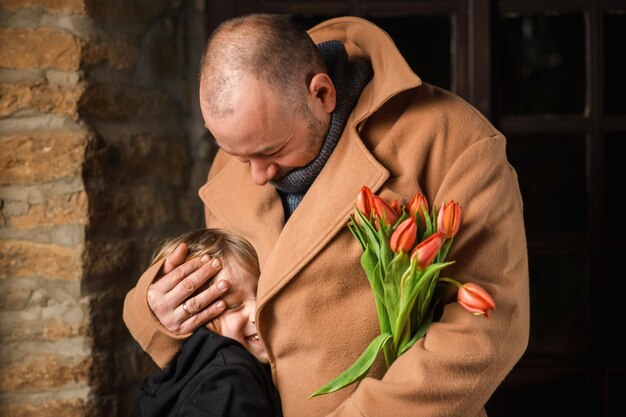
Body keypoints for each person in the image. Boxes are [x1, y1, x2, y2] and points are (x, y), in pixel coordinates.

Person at [123, 13, 530, 417]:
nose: (257, 176)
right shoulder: (248, 145)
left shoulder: (451, 138)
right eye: (236, 155)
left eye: (271, 152)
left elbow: (485, 331)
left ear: (321, 94)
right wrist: (161, 313)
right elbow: (230, 301)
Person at [136, 228, 282, 417]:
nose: (257, 312)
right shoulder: (229, 385)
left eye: (262, 293)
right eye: (231, 306)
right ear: (190, 320)